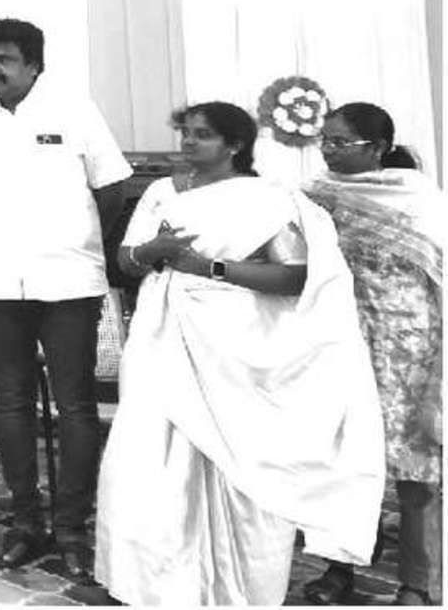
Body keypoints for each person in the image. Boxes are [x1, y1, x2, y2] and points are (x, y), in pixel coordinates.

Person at [94, 101, 385, 605]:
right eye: (185, 133)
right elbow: (126, 261)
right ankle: (153, 585)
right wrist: (152, 253)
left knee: (238, 467)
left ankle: (240, 590)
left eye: (202, 135)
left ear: (234, 145)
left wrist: (210, 268)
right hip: (163, 336)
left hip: (235, 345)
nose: (188, 143)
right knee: (150, 457)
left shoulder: (267, 198)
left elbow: (295, 276)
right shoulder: (161, 193)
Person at [0, 18, 131, 577]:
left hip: (69, 283)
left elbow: (113, 191)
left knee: (74, 404)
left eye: (3, 59)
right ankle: (24, 522)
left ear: (33, 64)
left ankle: (72, 527)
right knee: (8, 402)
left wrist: (75, 243)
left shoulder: (76, 112)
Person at [299, 102, 443, 606]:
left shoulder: (417, 197)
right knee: (342, 459)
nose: (329, 150)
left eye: (341, 142)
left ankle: (417, 582)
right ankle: (340, 569)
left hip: (410, 345)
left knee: (415, 465)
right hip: (341, 340)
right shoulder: (315, 195)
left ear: (379, 147)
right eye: (325, 140)